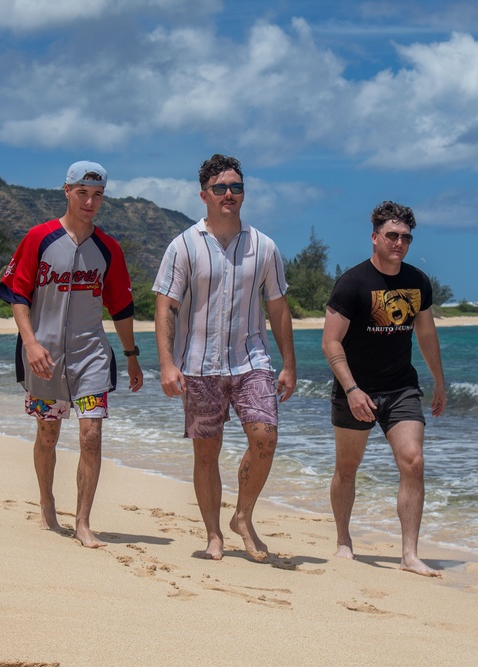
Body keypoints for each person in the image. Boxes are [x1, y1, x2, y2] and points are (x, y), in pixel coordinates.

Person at [153, 154, 296, 561]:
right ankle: (214, 535)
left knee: (265, 438)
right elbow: (166, 306)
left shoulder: (264, 246)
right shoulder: (182, 246)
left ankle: (243, 517)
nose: (229, 194)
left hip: (252, 360)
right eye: (220, 188)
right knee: (206, 453)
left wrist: (289, 363)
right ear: (204, 195)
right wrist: (166, 364)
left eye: (235, 187)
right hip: (198, 365)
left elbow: (278, 307)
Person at [0, 160, 143, 549]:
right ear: (66, 191)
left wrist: (130, 355)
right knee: (48, 433)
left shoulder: (108, 249)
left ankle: (82, 522)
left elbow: (122, 308)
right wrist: (30, 343)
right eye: (83, 193)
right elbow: (17, 296)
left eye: (97, 196)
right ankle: (46, 503)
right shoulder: (39, 239)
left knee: (91, 434)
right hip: (44, 355)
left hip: (91, 355)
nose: (90, 202)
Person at [321, 200, 446, 577]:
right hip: (355, 389)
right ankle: (344, 540)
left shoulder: (418, 282)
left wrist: (439, 380)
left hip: (400, 388)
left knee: (414, 461)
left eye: (406, 237)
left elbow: (426, 333)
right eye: (392, 235)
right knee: (347, 468)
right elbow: (331, 342)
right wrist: (352, 389)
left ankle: (409, 554)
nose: (399, 243)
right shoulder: (352, 283)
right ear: (374, 237)